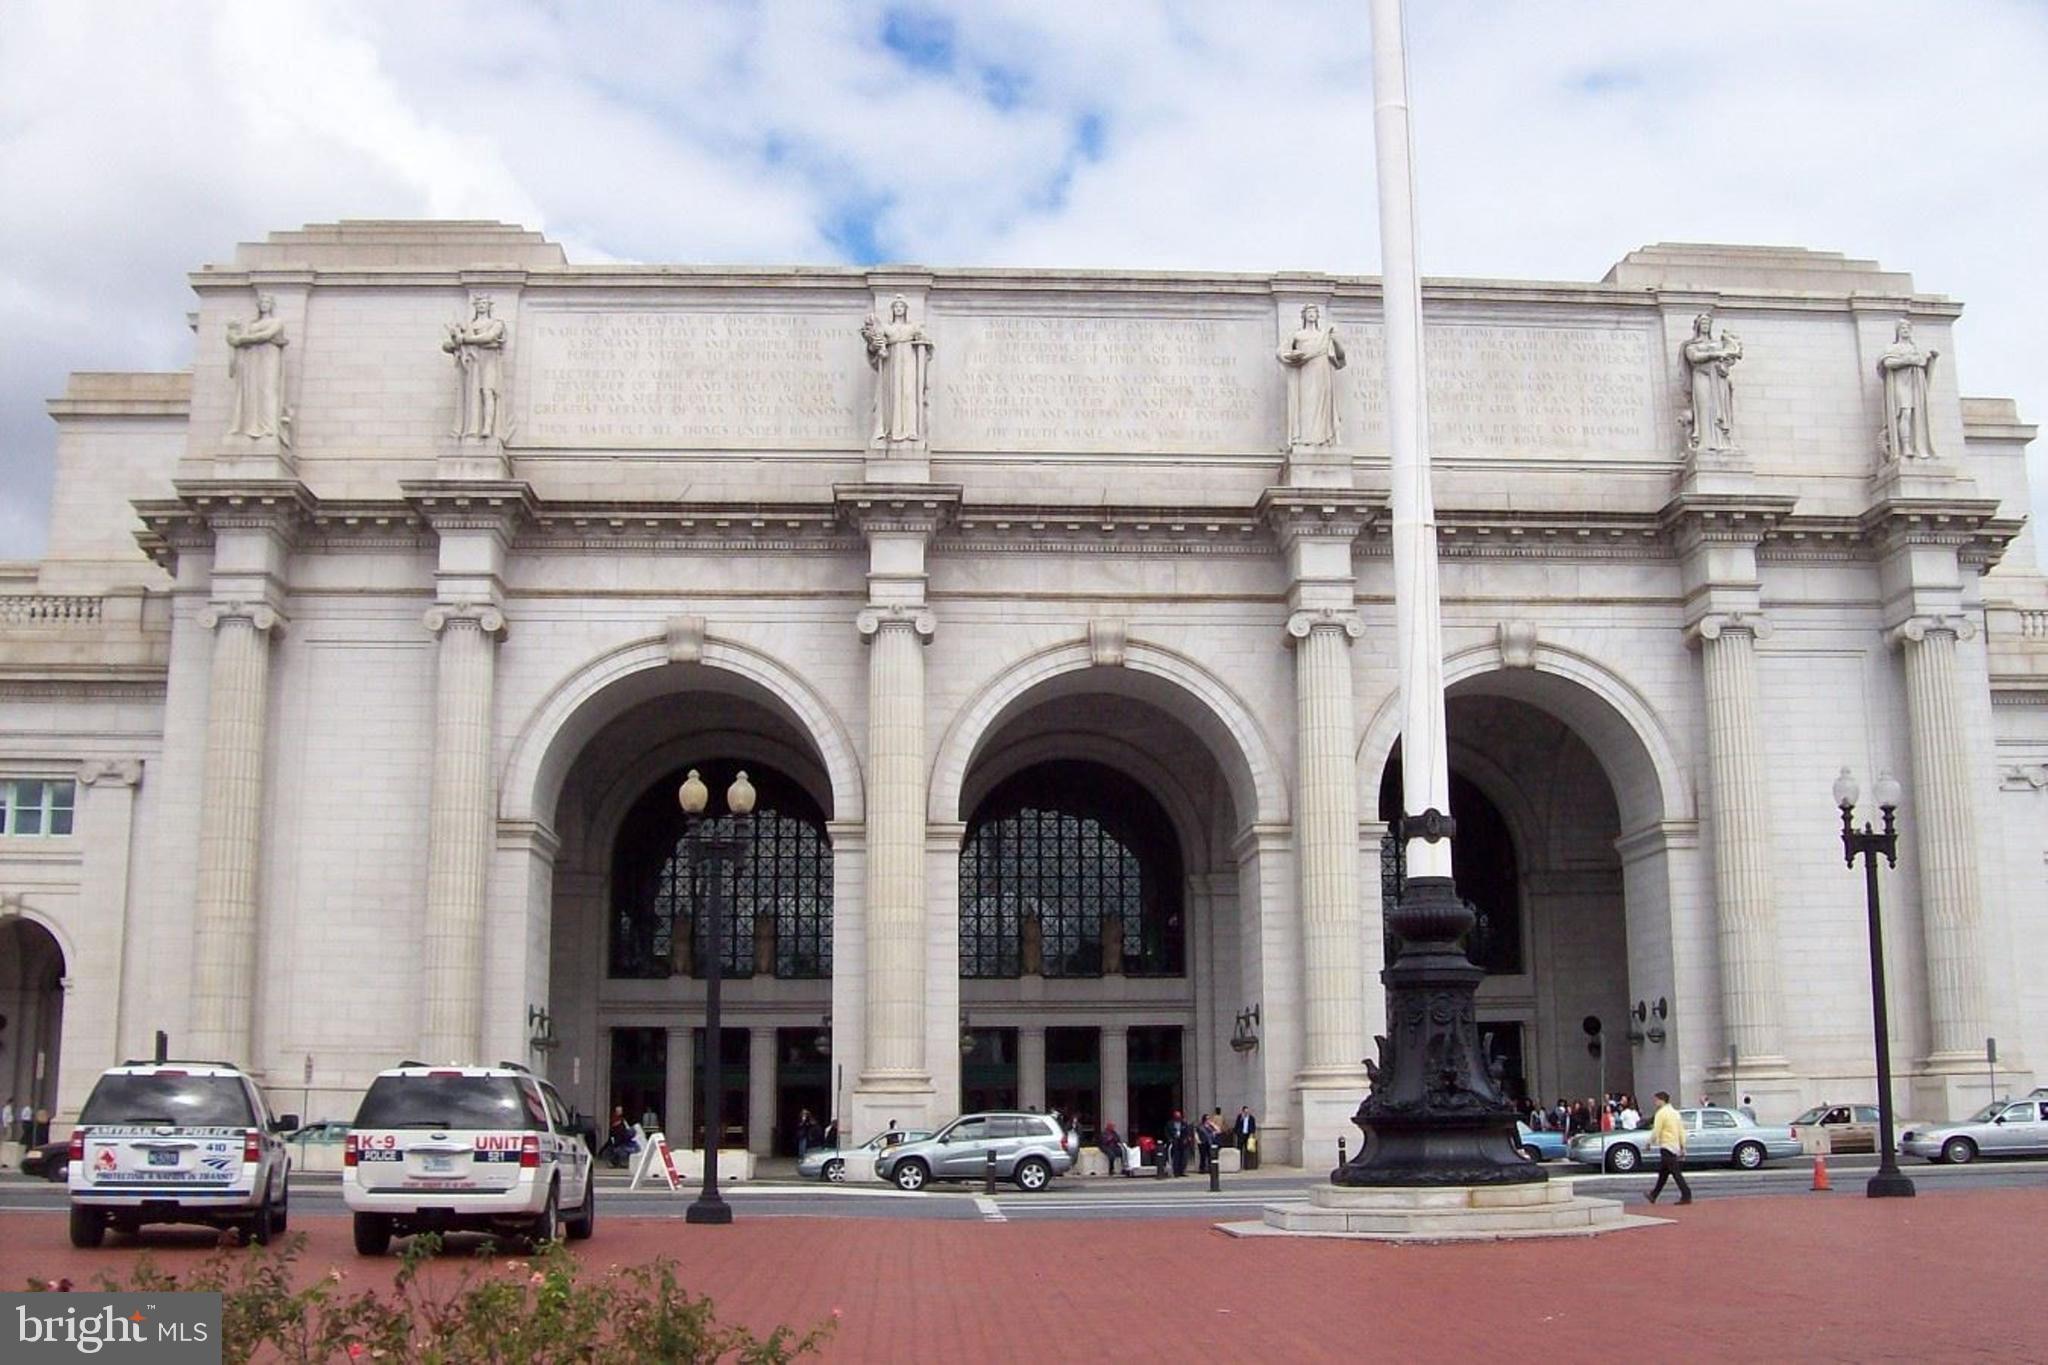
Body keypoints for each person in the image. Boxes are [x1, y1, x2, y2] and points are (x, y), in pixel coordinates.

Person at [861, 295, 934, 444]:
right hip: (891, 364)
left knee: (909, 393)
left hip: (909, 362)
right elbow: (875, 345)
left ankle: (910, 429)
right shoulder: (886, 328)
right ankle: (892, 430)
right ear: (892, 310)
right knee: (893, 394)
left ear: (906, 310)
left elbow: (928, 344)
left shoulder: (913, 327)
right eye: (896, 306)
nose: (898, 309)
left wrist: (923, 343)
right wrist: (873, 344)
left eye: (901, 306)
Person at [1276, 303, 1348, 447]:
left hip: (1323, 370)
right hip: (1306, 369)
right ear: (1303, 315)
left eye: (1314, 312)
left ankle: (1323, 438)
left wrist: (1336, 340)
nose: (1311, 314)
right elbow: (1281, 352)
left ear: (1317, 316)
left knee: (1323, 403)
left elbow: (1341, 356)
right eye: (1308, 312)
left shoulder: (1324, 334)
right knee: (1307, 402)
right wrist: (1292, 355)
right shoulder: (1297, 335)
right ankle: (1306, 437)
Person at [442, 294, 509, 439]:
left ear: (489, 306)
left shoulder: (497, 323)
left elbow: (489, 337)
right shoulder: (468, 326)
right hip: (473, 364)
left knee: (488, 391)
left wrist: (465, 339)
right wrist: (455, 339)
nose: (481, 306)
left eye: (484, 303)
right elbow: (448, 346)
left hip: (488, 361)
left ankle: (487, 428)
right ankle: (472, 428)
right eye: (478, 304)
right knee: (472, 394)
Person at [226, 294, 289, 441]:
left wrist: (241, 339)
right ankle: (251, 427)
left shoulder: (277, 321)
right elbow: (234, 339)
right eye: (262, 302)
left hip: (269, 356)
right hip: (252, 358)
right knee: (252, 391)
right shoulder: (252, 324)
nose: (264, 304)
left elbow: (267, 335)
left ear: (271, 305)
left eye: (267, 302)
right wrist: (233, 333)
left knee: (268, 390)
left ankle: (269, 428)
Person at [1877, 318, 1938, 460]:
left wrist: (1932, 359)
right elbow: (1887, 363)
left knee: (1916, 414)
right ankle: (1905, 445)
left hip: (1915, 384)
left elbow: (1924, 367)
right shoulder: (1892, 348)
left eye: (1908, 328)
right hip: (1900, 383)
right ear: (1897, 331)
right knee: (1904, 413)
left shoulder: (1916, 348)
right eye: (1903, 328)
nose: (1905, 330)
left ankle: (1919, 446)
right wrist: (1908, 360)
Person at [1645, 1091, 1692, 1205]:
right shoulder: (1675, 1113)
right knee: (1664, 1172)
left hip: (1666, 1144)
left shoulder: (1661, 1113)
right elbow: (1681, 1130)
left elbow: (1657, 1130)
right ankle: (1654, 1194)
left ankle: (1686, 1194)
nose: (1655, 1102)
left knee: (1674, 1172)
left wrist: (1649, 1142)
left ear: (1662, 1100)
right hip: (1674, 1144)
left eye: (1656, 1100)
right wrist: (1682, 1146)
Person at [1166, 1110, 1191, 1177]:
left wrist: (1187, 1138)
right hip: (1175, 1142)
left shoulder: (1184, 1123)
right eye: (1177, 1116)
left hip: (1183, 1143)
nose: (1178, 1118)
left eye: (1179, 1116)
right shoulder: (1170, 1123)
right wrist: (1170, 1139)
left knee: (1184, 1158)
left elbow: (1187, 1132)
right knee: (1176, 1157)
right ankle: (1176, 1172)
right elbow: (1167, 1133)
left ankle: (1182, 1171)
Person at [1234, 1105, 1259, 1169]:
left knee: (1248, 1150)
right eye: (1245, 1112)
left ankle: (1247, 1165)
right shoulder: (1240, 1117)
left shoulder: (1251, 1118)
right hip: (1241, 1135)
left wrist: (1252, 1134)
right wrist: (1237, 1133)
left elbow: (1253, 1127)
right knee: (1239, 1149)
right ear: (1242, 1111)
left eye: (1247, 1112)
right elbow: (1236, 1126)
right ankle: (1238, 1164)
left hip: (1248, 1135)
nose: (1246, 1113)